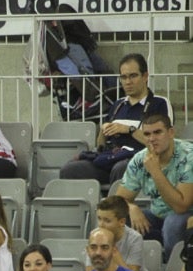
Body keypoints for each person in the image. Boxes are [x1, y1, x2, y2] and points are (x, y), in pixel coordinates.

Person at [59, 53, 173, 185]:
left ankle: (117, 198)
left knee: (121, 168)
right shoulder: (118, 105)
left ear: (145, 76)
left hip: (142, 161)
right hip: (110, 158)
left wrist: (129, 130)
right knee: (70, 170)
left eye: (133, 76)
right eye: (123, 77)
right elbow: (101, 145)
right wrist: (103, 131)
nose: (128, 82)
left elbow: (163, 143)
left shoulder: (159, 103)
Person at [112, 112, 193, 260]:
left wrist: (155, 171)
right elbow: (118, 200)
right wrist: (131, 207)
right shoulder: (139, 159)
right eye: (147, 134)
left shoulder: (189, 156)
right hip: (157, 216)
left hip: (187, 216)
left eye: (157, 132)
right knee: (118, 218)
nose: (152, 139)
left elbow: (181, 206)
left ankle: (174, 268)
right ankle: (130, 268)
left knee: (173, 223)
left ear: (171, 132)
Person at [94, 195, 149, 271]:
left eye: (107, 221)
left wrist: (113, 251)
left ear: (122, 222)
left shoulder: (135, 239)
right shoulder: (94, 236)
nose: (101, 225)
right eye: (99, 219)